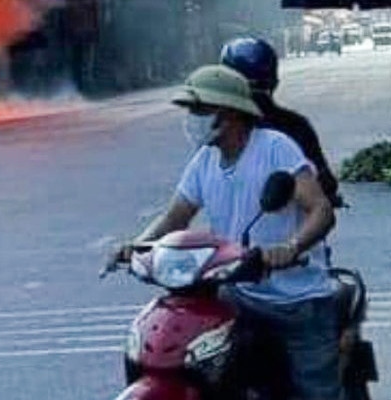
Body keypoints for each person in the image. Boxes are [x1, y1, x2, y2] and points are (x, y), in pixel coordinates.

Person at [112, 64, 340, 400]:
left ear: (229, 114)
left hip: (295, 299)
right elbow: (176, 215)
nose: (191, 118)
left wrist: (290, 247)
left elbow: (321, 210)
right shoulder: (205, 160)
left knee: (314, 393)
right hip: (236, 292)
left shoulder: (275, 148)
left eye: (200, 110)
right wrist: (139, 246)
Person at [222, 37, 342, 207]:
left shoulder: (218, 131)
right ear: (274, 82)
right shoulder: (296, 125)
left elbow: (324, 184)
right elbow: (326, 182)